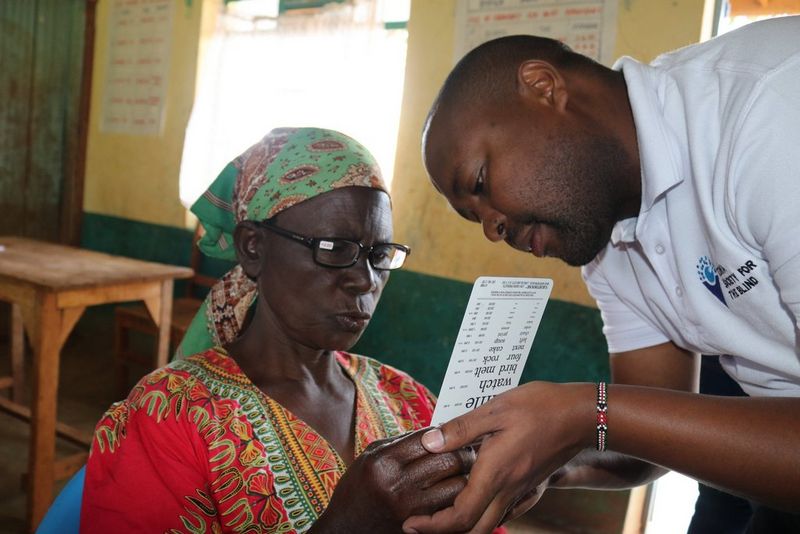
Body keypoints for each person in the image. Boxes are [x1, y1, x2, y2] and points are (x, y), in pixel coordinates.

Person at [404, 15, 800, 534]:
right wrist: (541, 459)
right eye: (473, 217)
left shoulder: (768, 111)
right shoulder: (605, 234)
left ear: (543, 87)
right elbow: (646, 442)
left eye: (479, 181)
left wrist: (582, 412)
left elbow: (610, 416)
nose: (492, 228)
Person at [80, 128, 478, 533]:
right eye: (334, 248)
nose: (365, 279)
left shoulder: (407, 400)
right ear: (253, 247)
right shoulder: (169, 416)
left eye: (379, 254)